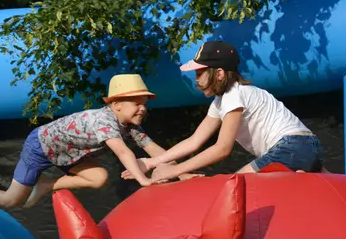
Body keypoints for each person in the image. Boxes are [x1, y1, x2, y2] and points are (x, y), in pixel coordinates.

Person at [0, 73, 200, 224]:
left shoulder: (130, 125)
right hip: (41, 146)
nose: (142, 108)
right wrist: (143, 179)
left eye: (145, 103)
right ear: (117, 104)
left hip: (68, 154)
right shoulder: (104, 121)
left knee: (99, 178)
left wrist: (184, 172)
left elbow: (157, 152)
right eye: (136, 103)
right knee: (13, 200)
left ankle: (45, 185)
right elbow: (123, 153)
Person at [126, 40, 324, 183]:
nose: (196, 79)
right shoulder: (223, 100)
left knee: (235, 187)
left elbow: (222, 149)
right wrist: (152, 162)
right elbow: (194, 141)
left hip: (289, 147)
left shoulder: (233, 95)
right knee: (330, 188)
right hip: (307, 146)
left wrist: (174, 170)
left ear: (219, 73)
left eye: (199, 73)